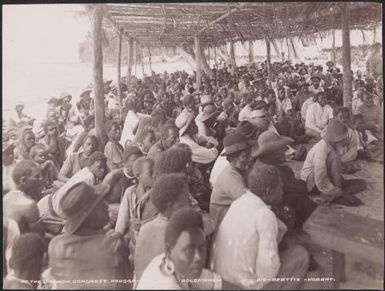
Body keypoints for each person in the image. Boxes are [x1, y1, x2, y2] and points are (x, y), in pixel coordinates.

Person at [210, 164, 313, 289]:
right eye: (280, 189)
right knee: (300, 254)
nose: (282, 193)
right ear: (269, 191)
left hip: (223, 281)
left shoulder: (238, 202)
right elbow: (267, 273)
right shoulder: (265, 215)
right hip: (243, 286)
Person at [47, 182, 132, 289]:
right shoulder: (114, 243)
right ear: (88, 215)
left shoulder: (56, 245)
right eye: (100, 204)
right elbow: (128, 283)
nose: (106, 206)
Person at [136, 208, 223, 290]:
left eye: (202, 247)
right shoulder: (168, 286)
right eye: (190, 250)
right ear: (169, 250)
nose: (198, 257)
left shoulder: (173, 263)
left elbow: (214, 282)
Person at [252, 131, 317, 228]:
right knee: (299, 199)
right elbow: (301, 187)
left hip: (267, 209)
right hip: (270, 214)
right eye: (281, 149)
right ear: (273, 152)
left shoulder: (261, 163)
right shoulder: (269, 171)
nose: (285, 151)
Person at [134, 173, 191, 282]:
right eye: (185, 201)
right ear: (170, 205)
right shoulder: (178, 233)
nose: (188, 205)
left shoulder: (145, 228)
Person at [301, 119, 367, 206]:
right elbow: (321, 181)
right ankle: (333, 195)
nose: (345, 140)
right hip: (313, 184)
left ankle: (335, 195)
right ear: (336, 139)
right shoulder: (321, 151)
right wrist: (335, 190)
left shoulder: (330, 146)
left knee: (362, 183)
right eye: (343, 138)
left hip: (325, 179)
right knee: (351, 196)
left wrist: (337, 189)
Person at [37, 151, 108, 225]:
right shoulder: (89, 178)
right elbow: (81, 207)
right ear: (91, 165)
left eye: (104, 167)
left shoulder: (85, 170)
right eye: (99, 167)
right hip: (49, 213)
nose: (102, 170)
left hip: (47, 204)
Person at [115, 157, 158, 260]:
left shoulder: (158, 193)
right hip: (135, 243)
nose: (154, 175)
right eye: (150, 172)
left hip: (154, 241)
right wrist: (116, 240)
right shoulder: (129, 192)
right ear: (138, 176)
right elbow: (122, 222)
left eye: (155, 171)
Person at [210, 131, 251, 224]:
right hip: (223, 223)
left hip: (231, 215)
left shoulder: (241, 169)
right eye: (245, 156)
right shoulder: (230, 176)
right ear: (231, 159)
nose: (250, 158)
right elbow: (248, 201)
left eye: (249, 154)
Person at [3, 160, 42, 233]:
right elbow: (38, 234)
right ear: (23, 180)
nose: (41, 178)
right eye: (37, 176)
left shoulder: (5, 198)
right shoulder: (29, 204)